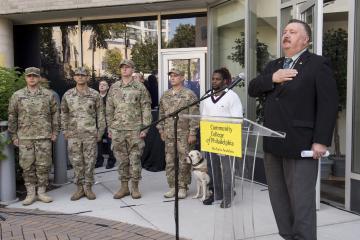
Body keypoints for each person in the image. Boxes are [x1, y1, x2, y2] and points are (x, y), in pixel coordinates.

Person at [248, 19, 338, 240]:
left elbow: (328, 104)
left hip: (301, 144)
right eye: (285, 31)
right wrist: (273, 78)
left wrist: (321, 141)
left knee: (301, 202)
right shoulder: (274, 65)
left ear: (305, 39)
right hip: (273, 143)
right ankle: (288, 236)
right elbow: (252, 88)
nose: (286, 35)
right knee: (278, 198)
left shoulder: (318, 64)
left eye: (293, 32)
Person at [8, 67, 60, 206]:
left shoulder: (48, 95)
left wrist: (55, 132)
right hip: (25, 137)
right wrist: (13, 135)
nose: (32, 78)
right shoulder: (17, 95)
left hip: (44, 136)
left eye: (35, 76)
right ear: (25, 78)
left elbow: (55, 114)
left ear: (39, 78)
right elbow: (12, 116)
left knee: (43, 165)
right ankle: (30, 193)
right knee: (27, 166)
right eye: (29, 76)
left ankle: (42, 192)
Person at [107, 59, 152, 199]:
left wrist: (145, 128)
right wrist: (110, 127)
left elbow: (146, 108)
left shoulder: (140, 87)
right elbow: (109, 109)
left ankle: (135, 187)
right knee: (121, 160)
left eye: (127, 67)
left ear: (133, 70)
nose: (125, 70)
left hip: (135, 130)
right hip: (118, 130)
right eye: (122, 67)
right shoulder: (114, 87)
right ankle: (124, 187)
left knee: (135, 159)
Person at [201, 67, 243, 208]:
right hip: (211, 137)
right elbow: (204, 116)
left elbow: (238, 119)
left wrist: (225, 129)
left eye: (218, 79)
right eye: (213, 78)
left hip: (227, 138)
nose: (214, 81)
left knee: (226, 168)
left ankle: (228, 194)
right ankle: (216, 193)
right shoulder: (207, 96)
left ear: (225, 81)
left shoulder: (232, 96)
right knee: (213, 168)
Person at [61, 67, 105, 201]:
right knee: (76, 161)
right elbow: (64, 113)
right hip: (73, 134)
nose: (80, 77)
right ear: (74, 77)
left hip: (90, 134)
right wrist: (65, 130)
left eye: (83, 75)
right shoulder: (68, 95)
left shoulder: (94, 94)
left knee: (90, 161)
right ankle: (79, 188)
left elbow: (100, 114)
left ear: (87, 78)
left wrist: (100, 131)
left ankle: (88, 187)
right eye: (77, 75)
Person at [157, 68, 199, 199]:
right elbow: (161, 114)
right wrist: (161, 129)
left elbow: (194, 115)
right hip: (169, 134)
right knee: (169, 161)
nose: (172, 78)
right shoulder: (165, 95)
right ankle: (172, 186)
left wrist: (192, 133)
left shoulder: (189, 94)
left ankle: (182, 187)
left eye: (176, 76)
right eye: (171, 76)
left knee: (184, 161)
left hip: (184, 135)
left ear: (182, 78)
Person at [95, 80, 116, 169]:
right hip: (98, 123)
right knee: (98, 142)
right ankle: (99, 161)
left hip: (108, 123)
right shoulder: (95, 96)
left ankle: (111, 161)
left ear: (108, 87)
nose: (102, 86)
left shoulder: (110, 97)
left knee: (110, 142)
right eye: (100, 84)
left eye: (104, 85)